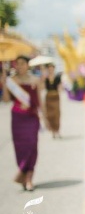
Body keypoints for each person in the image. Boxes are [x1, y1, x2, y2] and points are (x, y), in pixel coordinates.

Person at [1, 55, 47, 191]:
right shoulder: (11, 81)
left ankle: (28, 178)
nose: (19, 66)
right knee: (20, 147)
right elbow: (6, 100)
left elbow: (39, 100)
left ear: (28, 65)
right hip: (17, 118)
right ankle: (24, 174)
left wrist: (45, 118)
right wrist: (4, 84)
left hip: (32, 117)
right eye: (18, 64)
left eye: (22, 63)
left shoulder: (35, 80)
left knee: (32, 145)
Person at [42, 63, 62, 139]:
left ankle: (57, 130)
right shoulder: (46, 78)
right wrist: (43, 79)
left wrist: (58, 92)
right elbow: (43, 87)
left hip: (55, 96)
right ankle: (53, 131)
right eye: (49, 68)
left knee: (57, 114)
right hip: (48, 97)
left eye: (52, 68)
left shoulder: (57, 77)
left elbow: (60, 87)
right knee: (50, 114)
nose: (50, 69)